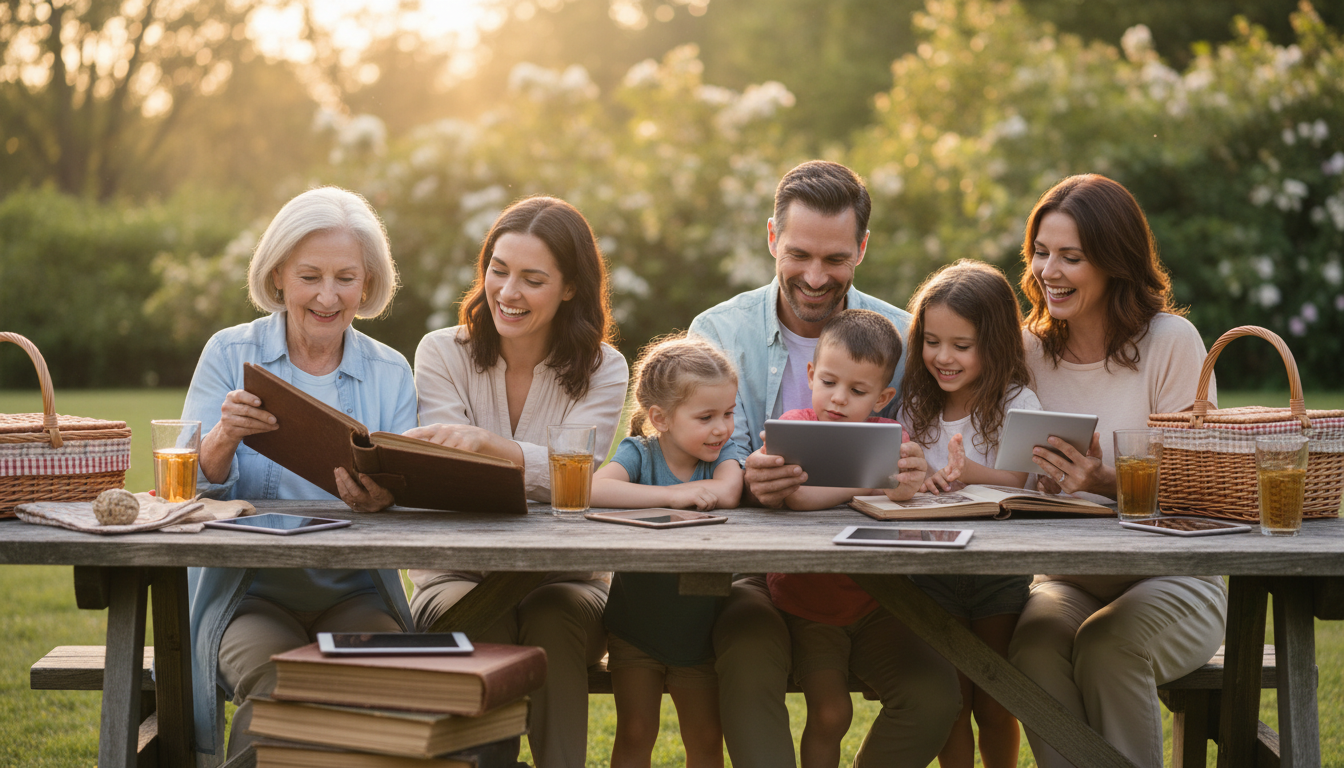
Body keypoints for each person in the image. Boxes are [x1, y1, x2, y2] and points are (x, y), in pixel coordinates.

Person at [688, 160, 922, 767]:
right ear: (772, 238)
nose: (816, 278)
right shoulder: (717, 331)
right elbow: (698, 459)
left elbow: (920, 453)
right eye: (798, 255)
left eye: (836, 259)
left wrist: (919, 474)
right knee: (743, 648)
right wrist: (747, 480)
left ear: (862, 250)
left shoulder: (901, 338)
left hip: (870, 575)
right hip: (753, 569)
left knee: (931, 693)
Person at [182, 186, 416, 763]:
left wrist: (387, 497)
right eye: (310, 275)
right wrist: (222, 439)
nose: (328, 296)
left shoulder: (391, 371)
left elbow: (414, 499)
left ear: (367, 284)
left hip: (356, 592)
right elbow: (184, 488)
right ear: (280, 274)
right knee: (280, 687)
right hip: (248, 595)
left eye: (346, 278)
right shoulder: (229, 352)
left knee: (391, 691)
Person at [1006, 174, 1228, 767]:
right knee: (1030, 647)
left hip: (1177, 578)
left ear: (1114, 262)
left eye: (1071, 257)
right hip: (1071, 576)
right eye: (1042, 253)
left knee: (1109, 646)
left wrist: (1107, 480)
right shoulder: (1028, 349)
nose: (1049, 271)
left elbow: (1203, 488)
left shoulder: (1170, 342)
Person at [405, 196, 628, 768]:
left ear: (570, 288)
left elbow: (573, 477)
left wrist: (490, 446)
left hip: (569, 577)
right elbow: (449, 469)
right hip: (456, 571)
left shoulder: (604, 368)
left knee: (551, 617)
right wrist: (518, 461)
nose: (507, 292)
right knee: (483, 615)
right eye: (498, 271)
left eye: (532, 279)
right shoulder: (440, 352)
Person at [766, 309, 956, 768]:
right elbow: (799, 497)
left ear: (883, 396)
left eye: (857, 391)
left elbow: (905, 494)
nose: (837, 399)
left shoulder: (890, 434)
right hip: (807, 603)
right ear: (811, 374)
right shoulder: (797, 425)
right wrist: (871, 480)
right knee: (832, 714)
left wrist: (907, 485)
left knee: (940, 698)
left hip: (876, 599)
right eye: (829, 382)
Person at [895, 260, 1040, 768]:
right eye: (932, 341)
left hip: (998, 573)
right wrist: (918, 478)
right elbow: (901, 474)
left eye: (962, 345)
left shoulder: (1017, 401)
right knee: (953, 702)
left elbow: (1023, 483)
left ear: (995, 343)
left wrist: (967, 470)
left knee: (997, 700)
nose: (943, 357)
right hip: (931, 570)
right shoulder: (915, 404)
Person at [590, 334, 743, 768]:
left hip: (701, 629)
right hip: (635, 626)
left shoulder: (722, 455)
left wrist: (691, 489)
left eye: (729, 414)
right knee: (636, 731)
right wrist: (671, 497)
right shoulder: (639, 453)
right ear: (660, 417)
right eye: (706, 416)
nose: (722, 428)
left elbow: (729, 492)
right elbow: (596, 487)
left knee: (707, 738)